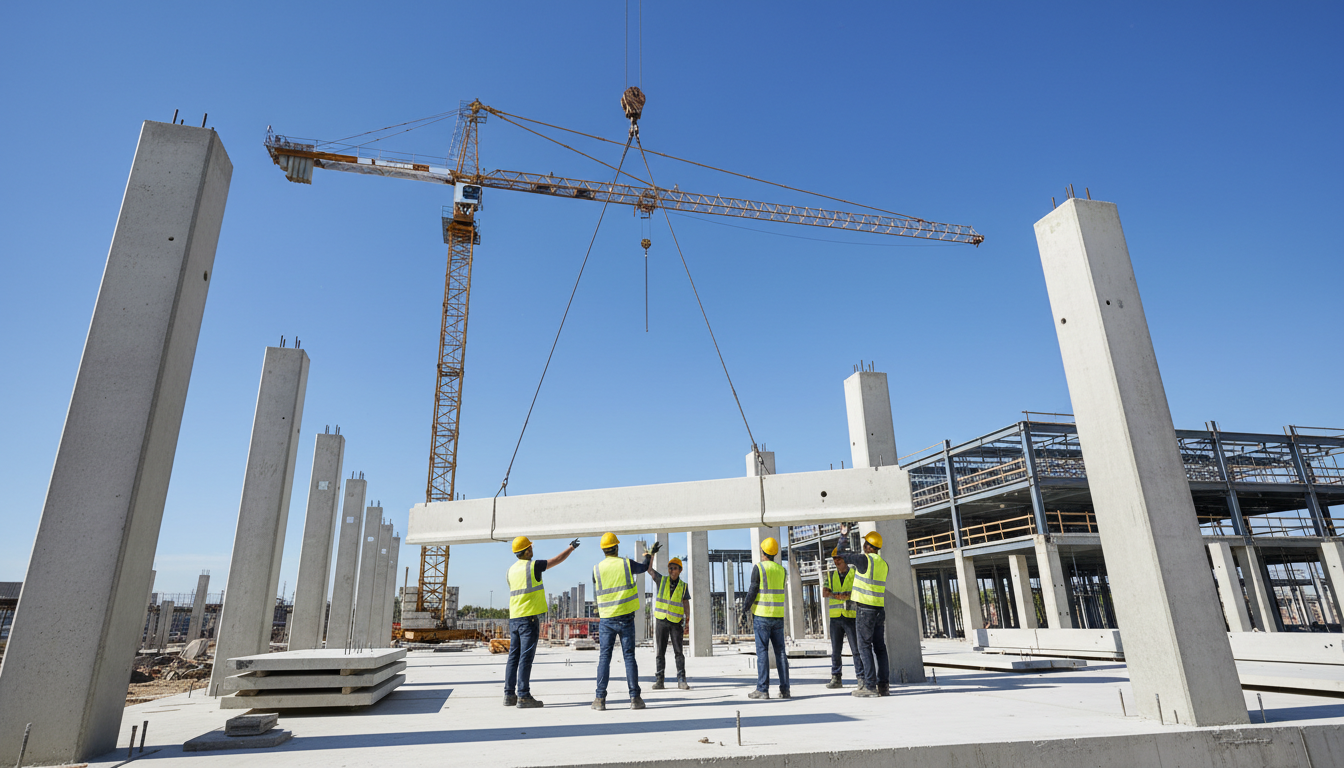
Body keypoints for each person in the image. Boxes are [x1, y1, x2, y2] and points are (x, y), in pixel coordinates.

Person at [504, 535, 579, 708]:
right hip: (528, 619)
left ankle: (509, 695)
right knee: (525, 658)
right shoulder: (533, 566)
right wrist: (571, 547)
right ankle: (523, 696)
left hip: (514, 618)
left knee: (513, 657)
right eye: (531, 547)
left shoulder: (510, 570)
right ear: (527, 550)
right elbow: (556, 560)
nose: (533, 550)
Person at [591, 532, 661, 711]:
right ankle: (635, 698)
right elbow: (644, 567)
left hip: (606, 619)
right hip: (626, 618)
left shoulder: (596, 569)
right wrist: (649, 555)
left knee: (604, 658)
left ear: (603, 550)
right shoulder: (625, 564)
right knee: (629, 657)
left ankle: (599, 699)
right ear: (616, 547)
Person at [835, 524, 889, 697]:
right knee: (880, 648)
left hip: (865, 610)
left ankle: (870, 686)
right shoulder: (883, 564)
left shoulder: (865, 559)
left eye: (865, 543)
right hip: (879, 610)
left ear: (868, 546)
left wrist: (844, 535)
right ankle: (883, 686)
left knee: (864, 646)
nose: (863, 546)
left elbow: (840, 554)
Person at [742, 536, 789, 699]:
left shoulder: (759, 568)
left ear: (763, 552)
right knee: (781, 653)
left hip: (762, 616)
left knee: (762, 652)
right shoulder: (782, 570)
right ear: (775, 553)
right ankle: (785, 689)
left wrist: (745, 608)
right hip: (778, 616)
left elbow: (752, 591)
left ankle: (762, 689)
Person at [822, 548, 866, 688]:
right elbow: (825, 592)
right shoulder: (829, 575)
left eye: (839, 558)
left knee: (856, 649)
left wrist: (843, 595)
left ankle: (861, 677)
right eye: (834, 558)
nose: (836, 561)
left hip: (850, 616)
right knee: (835, 650)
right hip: (835, 618)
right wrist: (838, 596)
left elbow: (857, 591)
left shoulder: (854, 573)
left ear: (845, 559)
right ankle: (836, 678)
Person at [646, 555, 691, 690]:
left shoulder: (683, 586)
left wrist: (687, 620)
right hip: (661, 621)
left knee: (679, 652)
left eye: (675, 568)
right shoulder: (662, 580)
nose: (672, 571)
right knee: (660, 652)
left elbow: (685, 602)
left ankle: (681, 680)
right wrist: (652, 556)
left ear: (680, 570)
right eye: (670, 568)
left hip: (676, 622)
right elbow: (649, 570)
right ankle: (659, 680)